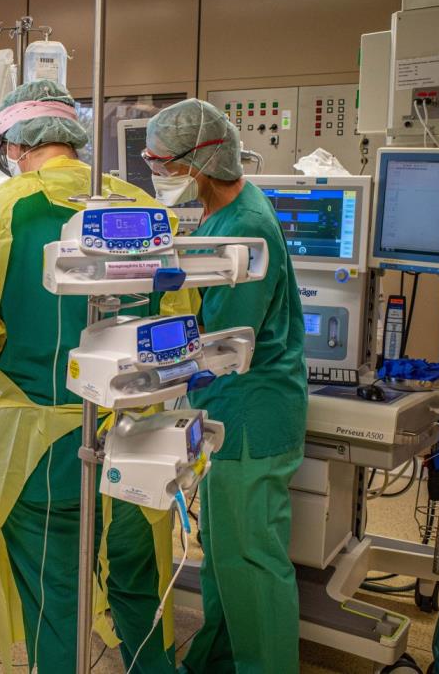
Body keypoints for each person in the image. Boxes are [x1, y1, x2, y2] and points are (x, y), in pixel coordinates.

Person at [0, 80, 180, 673]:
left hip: (44, 451)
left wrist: (4, 345)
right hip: (140, 437)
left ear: (14, 145)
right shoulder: (143, 209)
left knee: (56, 594)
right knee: (140, 588)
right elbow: (177, 317)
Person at [144, 99, 307, 674]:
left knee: (251, 560)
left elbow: (222, 339)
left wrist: (149, 361)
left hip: (249, 417)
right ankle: (216, 661)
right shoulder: (224, 211)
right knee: (224, 558)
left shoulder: (246, 229)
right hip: (227, 415)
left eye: (163, 163)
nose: (159, 173)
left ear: (199, 161)